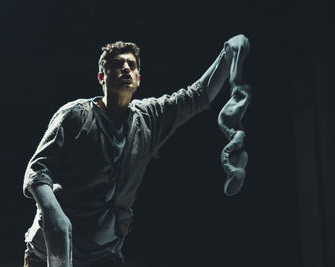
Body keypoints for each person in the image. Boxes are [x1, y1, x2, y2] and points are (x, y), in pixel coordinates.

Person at [23, 34, 250, 267]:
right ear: (101, 77)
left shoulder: (149, 118)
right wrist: (55, 217)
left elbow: (196, 96)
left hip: (103, 256)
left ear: (138, 79)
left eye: (131, 65)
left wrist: (227, 55)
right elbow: (38, 170)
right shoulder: (75, 115)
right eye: (117, 64)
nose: (125, 68)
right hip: (48, 252)